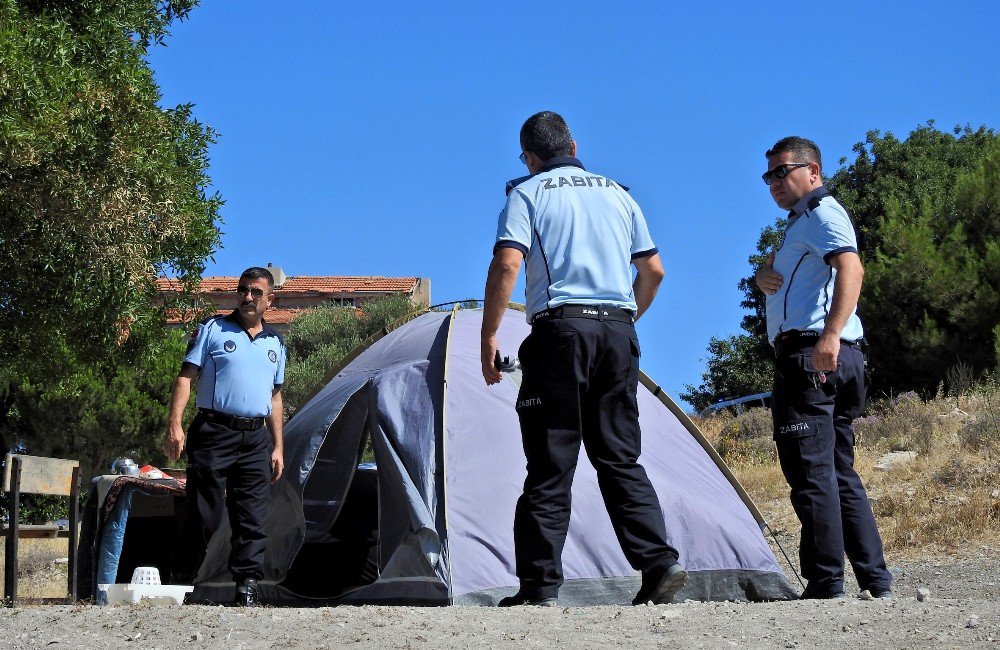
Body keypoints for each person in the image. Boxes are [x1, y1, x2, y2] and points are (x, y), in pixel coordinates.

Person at [481, 111, 687, 607]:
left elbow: (509, 260)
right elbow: (654, 270)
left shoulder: (527, 193)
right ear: (573, 143)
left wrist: (489, 335)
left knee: (551, 462)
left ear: (528, 157)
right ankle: (659, 564)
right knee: (619, 457)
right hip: (617, 329)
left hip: (560, 331)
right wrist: (624, 320)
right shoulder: (619, 193)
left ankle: (540, 587)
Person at [756, 136, 893, 600]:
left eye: (783, 171)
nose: (774, 182)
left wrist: (829, 336)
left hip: (814, 354)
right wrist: (764, 278)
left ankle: (825, 582)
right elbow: (803, 280)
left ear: (812, 172)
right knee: (837, 471)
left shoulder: (821, 213)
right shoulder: (803, 224)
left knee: (811, 472)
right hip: (832, 354)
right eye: (768, 175)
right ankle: (875, 580)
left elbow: (851, 268)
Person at [164, 266, 286, 607]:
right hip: (214, 431)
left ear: (270, 299)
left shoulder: (276, 342)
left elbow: (275, 397)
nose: (248, 297)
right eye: (243, 290)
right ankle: (184, 579)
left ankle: (246, 586)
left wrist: (278, 445)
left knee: (253, 516)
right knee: (206, 513)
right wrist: (175, 424)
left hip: (256, 439)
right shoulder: (213, 329)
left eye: (256, 292)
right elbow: (186, 378)